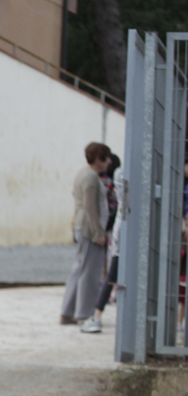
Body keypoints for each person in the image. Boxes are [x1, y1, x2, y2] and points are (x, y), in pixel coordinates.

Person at [61, 142, 111, 325]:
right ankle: (84, 314)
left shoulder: (84, 173)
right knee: (90, 272)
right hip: (89, 229)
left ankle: (68, 312)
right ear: (99, 159)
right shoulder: (90, 176)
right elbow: (90, 206)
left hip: (83, 226)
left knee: (80, 269)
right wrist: (98, 232)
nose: (109, 162)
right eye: (107, 158)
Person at [81, 154, 124, 334]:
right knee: (103, 271)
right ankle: (92, 314)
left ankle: (95, 315)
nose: (108, 163)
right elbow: (91, 207)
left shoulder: (114, 178)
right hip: (110, 231)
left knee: (108, 272)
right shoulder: (103, 178)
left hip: (116, 231)